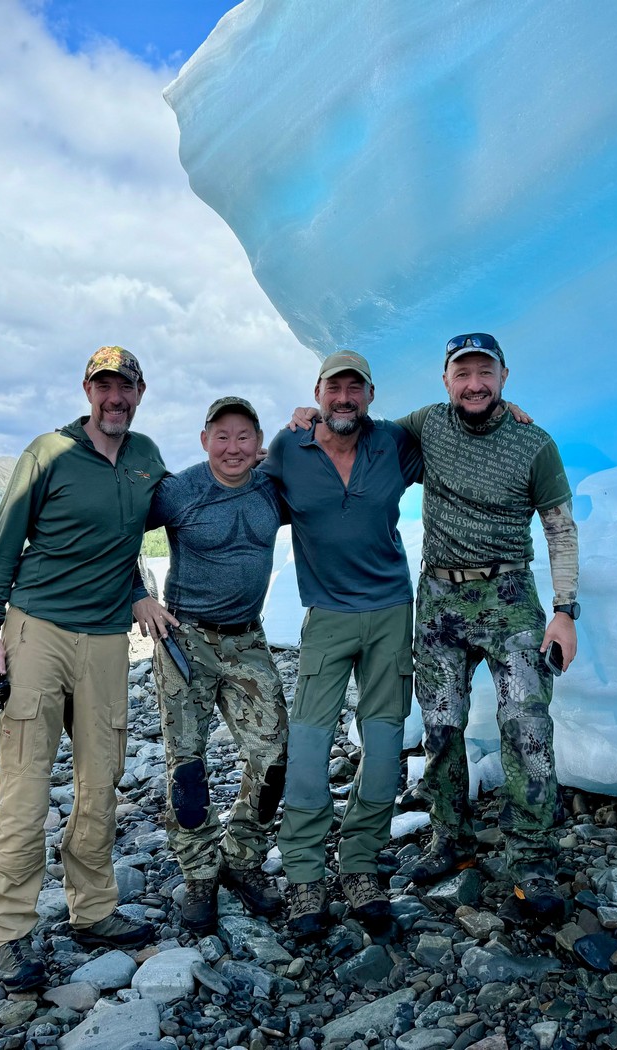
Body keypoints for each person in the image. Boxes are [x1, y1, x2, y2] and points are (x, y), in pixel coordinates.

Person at [0, 345, 169, 992]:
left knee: (102, 775)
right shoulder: (47, 454)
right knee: (25, 783)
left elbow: (126, 537)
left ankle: (94, 909)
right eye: (104, 386)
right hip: (39, 629)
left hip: (108, 635)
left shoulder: (146, 459)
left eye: (125, 387)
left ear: (140, 392)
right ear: (87, 390)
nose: (115, 398)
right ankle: (9, 930)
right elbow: (8, 536)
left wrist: (138, 586)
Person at [395, 332, 580, 925]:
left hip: (509, 597)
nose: (474, 384)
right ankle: (451, 836)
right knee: (442, 724)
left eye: (485, 373)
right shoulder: (426, 426)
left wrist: (565, 610)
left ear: (504, 376)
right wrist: (308, 415)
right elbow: (357, 433)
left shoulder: (534, 443)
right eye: (462, 373)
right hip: (441, 596)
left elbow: (560, 529)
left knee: (526, 721)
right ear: (445, 379)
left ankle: (532, 855)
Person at [262, 351, 423, 935]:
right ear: (318, 393)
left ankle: (359, 866)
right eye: (335, 388)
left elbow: (460, 434)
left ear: (371, 396)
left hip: (389, 613)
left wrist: (511, 411)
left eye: (356, 388)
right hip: (326, 615)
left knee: (383, 744)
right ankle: (305, 874)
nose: (345, 398)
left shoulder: (395, 444)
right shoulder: (289, 449)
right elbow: (237, 486)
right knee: (308, 744)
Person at [133, 397, 290, 934]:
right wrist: (140, 593)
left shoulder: (272, 484)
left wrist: (307, 422)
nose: (232, 447)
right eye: (221, 435)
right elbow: (121, 525)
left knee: (272, 759)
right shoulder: (182, 490)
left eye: (243, 435)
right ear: (204, 440)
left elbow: (328, 470)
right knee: (188, 764)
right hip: (185, 640)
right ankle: (199, 872)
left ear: (258, 441)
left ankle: (242, 860)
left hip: (247, 639)